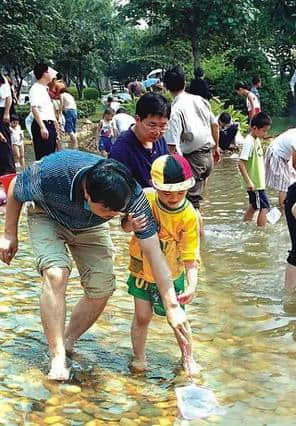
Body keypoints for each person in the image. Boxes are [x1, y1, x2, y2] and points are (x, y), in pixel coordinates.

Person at [0, 151, 192, 380]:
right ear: (87, 192)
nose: (113, 215)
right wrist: (9, 233)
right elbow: (15, 188)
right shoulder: (52, 174)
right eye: (108, 211)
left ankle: (68, 340)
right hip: (47, 216)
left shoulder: (133, 196)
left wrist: (171, 305)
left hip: (90, 226)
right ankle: (57, 357)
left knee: (102, 287)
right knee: (56, 274)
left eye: (117, 211)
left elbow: (153, 250)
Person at [126, 153, 200, 374]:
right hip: (141, 269)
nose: (174, 196)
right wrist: (130, 223)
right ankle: (139, 357)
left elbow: (190, 253)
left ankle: (188, 358)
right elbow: (124, 227)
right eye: (167, 192)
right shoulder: (146, 199)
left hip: (171, 271)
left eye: (180, 191)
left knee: (177, 317)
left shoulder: (188, 215)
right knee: (142, 316)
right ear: (156, 187)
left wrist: (192, 283)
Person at [163, 67, 221, 211]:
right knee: (197, 201)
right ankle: (199, 230)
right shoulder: (200, 100)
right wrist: (216, 147)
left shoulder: (175, 109)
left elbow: (172, 146)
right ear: (184, 82)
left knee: (189, 205)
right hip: (208, 157)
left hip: (193, 159)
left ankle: (197, 233)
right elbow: (215, 125)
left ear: (166, 87)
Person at [109, 93, 170, 188]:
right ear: (137, 119)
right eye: (152, 125)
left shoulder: (160, 140)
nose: (157, 132)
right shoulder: (121, 150)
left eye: (162, 126)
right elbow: (117, 188)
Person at [238, 112, 272, 227]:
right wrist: (249, 181)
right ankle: (262, 231)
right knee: (265, 207)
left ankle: (245, 225)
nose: (265, 133)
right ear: (254, 128)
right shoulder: (249, 142)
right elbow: (241, 163)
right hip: (255, 183)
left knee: (254, 205)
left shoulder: (256, 139)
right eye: (264, 130)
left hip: (258, 182)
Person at [29, 63, 58, 160]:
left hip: (49, 125)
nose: (51, 75)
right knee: (44, 158)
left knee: (51, 156)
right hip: (43, 125)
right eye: (49, 72)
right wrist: (42, 127)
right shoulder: (35, 89)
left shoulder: (44, 89)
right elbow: (34, 108)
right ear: (44, 74)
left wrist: (55, 124)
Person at [0, 75, 15, 176]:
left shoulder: (3, 80)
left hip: (1, 112)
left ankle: (8, 172)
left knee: (4, 145)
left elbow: (8, 97)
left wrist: (6, 113)